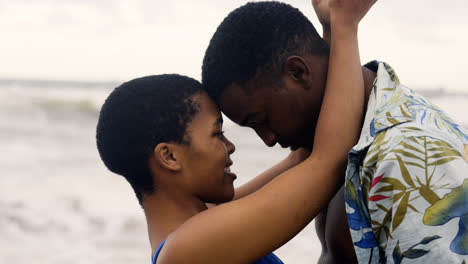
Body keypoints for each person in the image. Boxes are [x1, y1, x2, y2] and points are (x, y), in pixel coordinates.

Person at [95, 0, 375, 263]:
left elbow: (305, 154)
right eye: (217, 134)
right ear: (169, 156)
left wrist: (326, 32)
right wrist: (345, 24)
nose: (230, 146)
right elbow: (328, 160)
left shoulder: (204, 223)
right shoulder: (185, 252)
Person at [201, 1, 468, 263]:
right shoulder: (349, 143)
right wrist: (336, 27)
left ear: (298, 72)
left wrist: (342, 23)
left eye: (262, 120)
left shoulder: (408, 156)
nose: (268, 139)